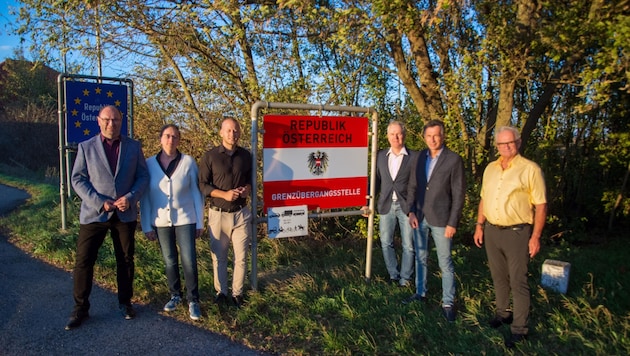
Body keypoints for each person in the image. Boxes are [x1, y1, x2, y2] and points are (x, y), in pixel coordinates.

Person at [66, 105, 149, 330]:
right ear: (98, 121)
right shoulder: (86, 147)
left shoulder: (133, 147)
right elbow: (78, 179)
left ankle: (125, 303)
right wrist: (98, 201)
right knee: (84, 261)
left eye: (116, 120)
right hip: (95, 213)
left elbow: (143, 176)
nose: (111, 124)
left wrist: (131, 197)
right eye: (107, 120)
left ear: (122, 121)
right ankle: (80, 308)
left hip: (125, 213)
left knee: (125, 260)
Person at [473, 126, 547, 348]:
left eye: (510, 142)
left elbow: (541, 205)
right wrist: (479, 225)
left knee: (518, 280)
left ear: (519, 142)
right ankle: (502, 312)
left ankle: (519, 328)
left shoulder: (530, 169)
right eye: (501, 144)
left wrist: (535, 237)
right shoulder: (491, 169)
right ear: (497, 146)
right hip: (493, 230)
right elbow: (484, 199)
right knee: (498, 276)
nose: (506, 147)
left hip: (517, 232)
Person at [140, 124, 204, 320]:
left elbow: (196, 192)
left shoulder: (188, 162)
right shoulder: (149, 164)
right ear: (160, 139)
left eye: (175, 137)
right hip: (160, 221)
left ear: (179, 140)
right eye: (167, 136)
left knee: (189, 260)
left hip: (186, 218)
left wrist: (200, 222)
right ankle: (175, 295)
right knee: (169, 260)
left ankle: (193, 300)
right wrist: (146, 224)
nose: (171, 140)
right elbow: (145, 197)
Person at [405, 120, 465, 322]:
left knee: (445, 262)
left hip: (442, 219)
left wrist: (453, 222)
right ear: (424, 137)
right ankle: (420, 293)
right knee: (420, 258)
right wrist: (410, 212)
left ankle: (448, 302)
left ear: (443, 136)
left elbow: (458, 194)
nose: (432, 139)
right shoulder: (419, 157)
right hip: (419, 216)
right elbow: (412, 186)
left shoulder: (454, 160)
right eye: (429, 136)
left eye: (436, 135)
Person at [198, 117, 252, 308]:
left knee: (241, 257)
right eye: (228, 130)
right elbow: (202, 185)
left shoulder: (246, 156)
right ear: (221, 132)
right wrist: (224, 194)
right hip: (218, 213)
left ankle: (237, 294)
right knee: (219, 257)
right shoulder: (210, 157)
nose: (232, 134)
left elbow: (251, 181)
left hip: (241, 213)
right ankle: (221, 292)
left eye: (236, 130)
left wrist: (247, 189)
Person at [368, 121, 417, 287]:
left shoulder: (414, 157)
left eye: (399, 133)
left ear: (404, 134)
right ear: (387, 136)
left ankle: (405, 279)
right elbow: (375, 180)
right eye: (392, 134)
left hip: (407, 207)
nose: (396, 137)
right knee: (385, 242)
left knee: (408, 245)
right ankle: (393, 275)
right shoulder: (380, 156)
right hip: (386, 205)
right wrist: (366, 201)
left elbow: (418, 183)